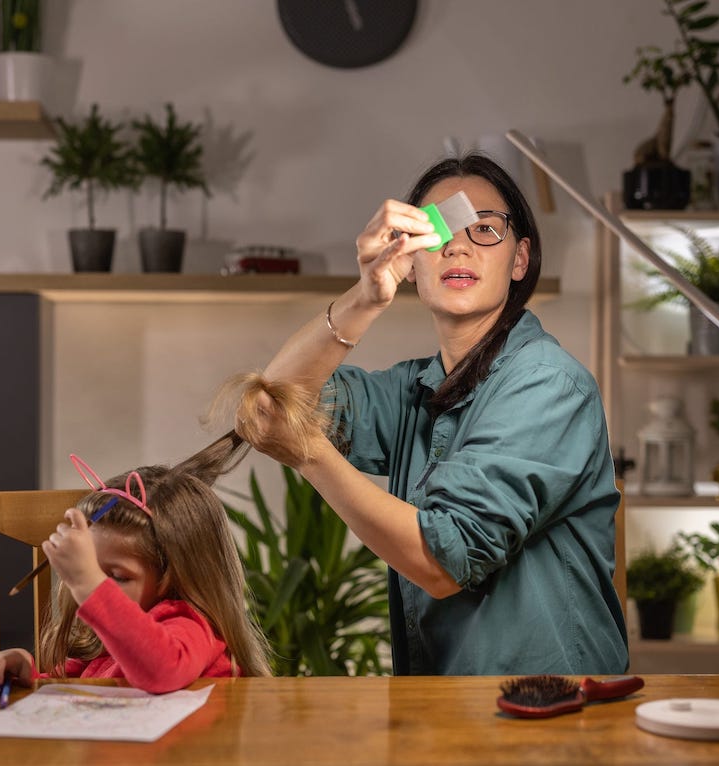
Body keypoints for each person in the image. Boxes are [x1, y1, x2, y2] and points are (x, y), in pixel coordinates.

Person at [232, 152, 628, 676]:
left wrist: (309, 455)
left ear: (520, 259)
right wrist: (366, 296)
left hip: (551, 714)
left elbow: (445, 560)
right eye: (438, 231)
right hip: (447, 710)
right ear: (413, 263)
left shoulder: (548, 383)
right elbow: (270, 402)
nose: (459, 244)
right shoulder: (414, 389)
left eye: (486, 228)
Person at [0, 439, 272, 694]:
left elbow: (162, 670)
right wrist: (30, 677)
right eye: (92, 569)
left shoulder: (188, 625)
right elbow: (84, 689)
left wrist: (89, 584)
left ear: (175, 577)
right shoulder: (109, 643)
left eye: (115, 576)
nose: (97, 586)